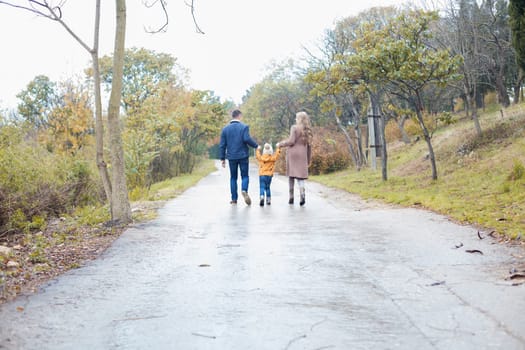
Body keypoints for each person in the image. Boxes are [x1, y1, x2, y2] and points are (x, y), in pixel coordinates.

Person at [219, 109, 259, 205]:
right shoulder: (244, 127)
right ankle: (244, 190)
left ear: (232, 116)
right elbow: (246, 139)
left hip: (231, 157)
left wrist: (222, 158)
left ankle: (234, 199)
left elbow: (222, 145)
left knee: (233, 177)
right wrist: (256, 146)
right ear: (239, 116)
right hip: (243, 156)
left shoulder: (225, 129)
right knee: (245, 176)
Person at [277, 111, 313, 206]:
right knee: (300, 177)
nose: (295, 119)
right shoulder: (307, 130)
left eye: (296, 118)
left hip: (292, 154)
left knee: (291, 175)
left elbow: (291, 141)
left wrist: (280, 144)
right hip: (302, 155)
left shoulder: (294, 127)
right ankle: (302, 193)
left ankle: (291, 197)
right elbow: (309, 146)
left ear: (300, 119)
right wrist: (308, 159)